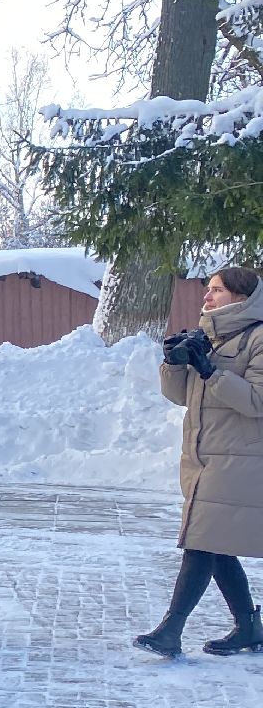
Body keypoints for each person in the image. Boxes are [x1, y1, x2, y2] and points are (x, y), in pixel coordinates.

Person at [135, 266, 263, 658]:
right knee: (217, 544)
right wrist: (174, 362)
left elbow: (257, 401)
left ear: (242, 298)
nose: (206, 298)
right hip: (202, 456)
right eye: (207, 290)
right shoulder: (209, 335)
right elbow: (182, 396)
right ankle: (249, 627)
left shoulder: (258, 338)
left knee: (201, 540)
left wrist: (211, 369)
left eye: (216, 290)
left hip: (241, 459)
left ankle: (170, 630)